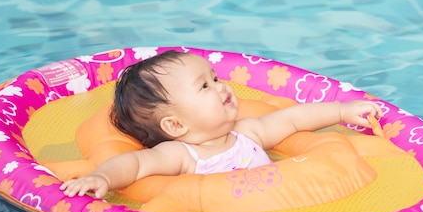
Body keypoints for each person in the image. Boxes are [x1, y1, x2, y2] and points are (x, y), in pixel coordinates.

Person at [60, 50, 382, 198]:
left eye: (214, 77)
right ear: (174, 125)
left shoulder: (248, 133)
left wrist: (341, 112)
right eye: (204, 86)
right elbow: (132, 163)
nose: (222, 86)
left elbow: (294, 118)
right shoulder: (181, 155)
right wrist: (103, 176)